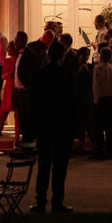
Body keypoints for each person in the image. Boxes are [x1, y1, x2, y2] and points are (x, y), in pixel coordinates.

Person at [29, 41, 76, 214]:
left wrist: (34, 127)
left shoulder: (39, 75)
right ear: (62, 56)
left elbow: (33, 103)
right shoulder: (67, 76)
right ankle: (57, 201)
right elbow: (72, 104)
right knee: (59, 167)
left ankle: (41, 201)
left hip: (45, 125)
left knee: (44, 166)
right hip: (62, 126)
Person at [0, 31, 27, 146]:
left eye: (9, 48)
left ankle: (16, 139)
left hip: (16, 87)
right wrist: (10, 73)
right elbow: (3, 76)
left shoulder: (19, 58)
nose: (8, 50)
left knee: (17, 115)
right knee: (2, 114)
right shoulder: (8, 61)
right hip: (9, 88)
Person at [91, 47, 112, 159]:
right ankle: (109, 150)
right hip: (111, 99)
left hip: (101, 99)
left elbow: (96, 86)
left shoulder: (97, 69)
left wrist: (95, 100)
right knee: (110, 126)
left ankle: (99, 150)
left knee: (98, 126)